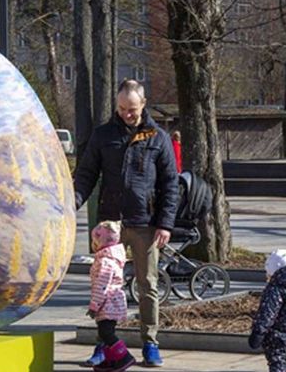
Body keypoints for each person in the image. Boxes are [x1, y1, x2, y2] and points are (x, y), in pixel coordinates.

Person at [75, 79, 178, 367]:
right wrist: (72, 203)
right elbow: (86, 175)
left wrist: (165, 224)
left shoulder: (158, 137)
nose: (126, 114)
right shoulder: (103, 135)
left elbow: (171, 184)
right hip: (110, 226)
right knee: (104, 286)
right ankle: (104, 343)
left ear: (143, 105)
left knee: (148, 285)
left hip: (146, 223)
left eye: (131, 109)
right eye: (121, 108)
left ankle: (150, 343)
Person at [248, 249, 286, 372]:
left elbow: (267, 313)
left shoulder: (275, 289)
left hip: (277, 337)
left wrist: (258, 332)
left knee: (277, 362)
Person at [85, 221, 135, 372]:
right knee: (105, 332)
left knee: (106, 333)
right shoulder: (111, 258)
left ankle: (124, 357)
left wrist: (94, 306)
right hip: (112, 301)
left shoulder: (105, 261)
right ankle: (110, 360)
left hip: (108, 302)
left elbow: (102, 286)